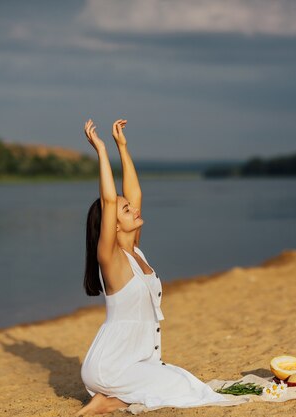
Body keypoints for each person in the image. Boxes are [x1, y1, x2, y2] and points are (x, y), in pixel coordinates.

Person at [77, 119, 230, 415]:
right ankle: (107, 398)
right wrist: (101, 150)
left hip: (135, 362)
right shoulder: (110, 260)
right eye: (126, 211)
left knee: (181, 380)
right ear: (113, 224)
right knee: (184, 385)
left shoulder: (135, 251)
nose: (134, 210)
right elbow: (110, 201)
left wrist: (123, 147)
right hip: (112, 365)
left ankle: (108, 401)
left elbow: (135, 195)